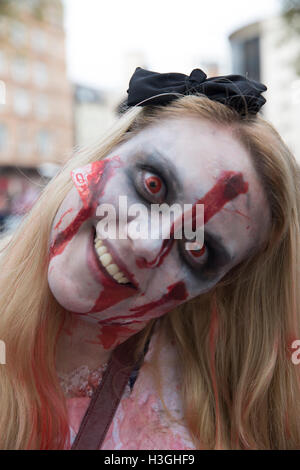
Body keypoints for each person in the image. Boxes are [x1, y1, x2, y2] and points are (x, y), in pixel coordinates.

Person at [0, 67, 299, 450]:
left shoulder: (194, 429)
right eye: (152, 186)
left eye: (197, 249)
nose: (145, 243)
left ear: (215, 286)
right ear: (107, 151)